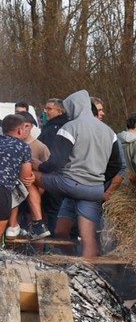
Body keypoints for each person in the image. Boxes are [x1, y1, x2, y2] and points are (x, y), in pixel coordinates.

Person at [36, 90, 125, 257]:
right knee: (87, 236)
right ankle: (83, 267)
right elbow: (117, 165)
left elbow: (57, 162)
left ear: (74, 107)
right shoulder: (109, 131)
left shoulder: (70, 127)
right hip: (93, 189)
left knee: (30, 175)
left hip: (69, 184)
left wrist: (40, 166)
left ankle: (34, 222)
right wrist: (100, 180)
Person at [0, 114, 44, 247]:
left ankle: (14, 227)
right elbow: (26, 177)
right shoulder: (23, 146)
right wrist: (33, 177)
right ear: (19, 131)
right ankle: (30, 224)